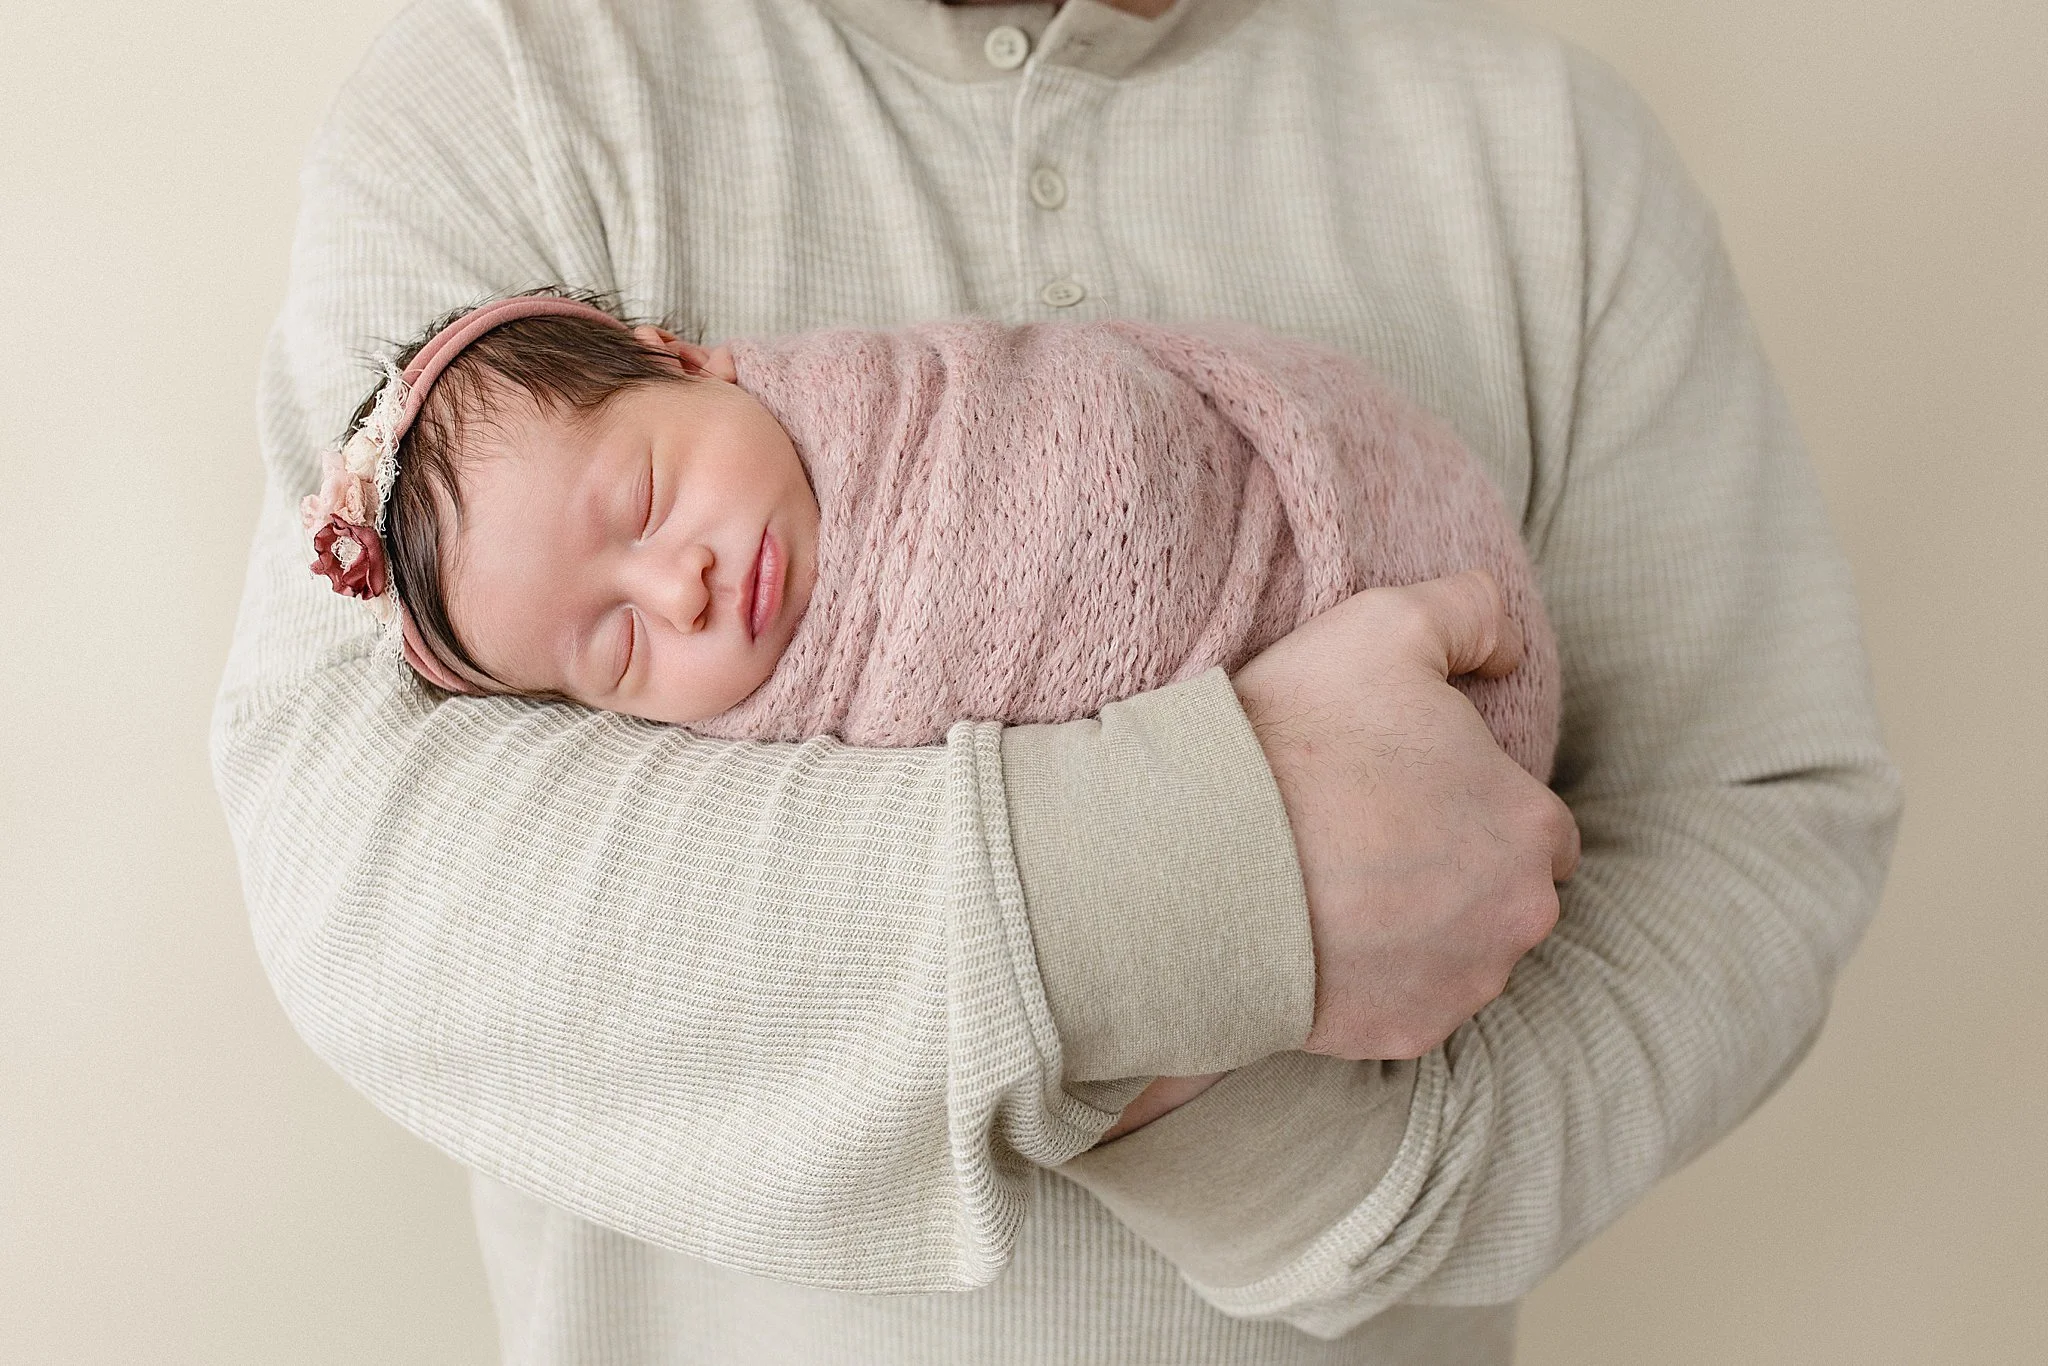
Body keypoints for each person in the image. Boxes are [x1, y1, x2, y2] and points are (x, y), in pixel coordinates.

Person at [213, 1, 1900, 1363]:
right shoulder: (518, 83)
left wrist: (1318, 1161)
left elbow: (1756, 827)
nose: (680, 588)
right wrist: (1197, 877)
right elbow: (368, 862)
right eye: (620, 641)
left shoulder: (1544, 155)